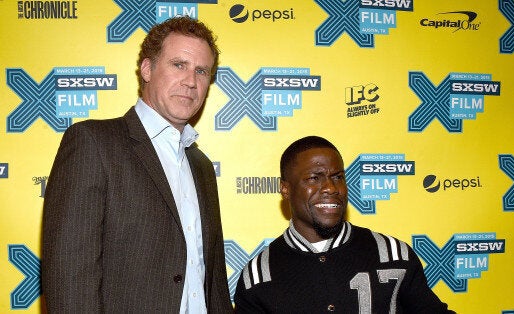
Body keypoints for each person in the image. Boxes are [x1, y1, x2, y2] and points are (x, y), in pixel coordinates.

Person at [42, 16, 232, 313]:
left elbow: (213, 281)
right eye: (178, 65)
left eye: (201, 71)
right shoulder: (94, 143)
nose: (191, 81)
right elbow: (70, 277)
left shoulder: (202, 166)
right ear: (147, 69)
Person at [234, 136, 455, 313]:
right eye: (314, 178)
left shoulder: (393, 255)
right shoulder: (259, 275)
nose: (331, 188)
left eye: (338, 177)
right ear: (285, 189)